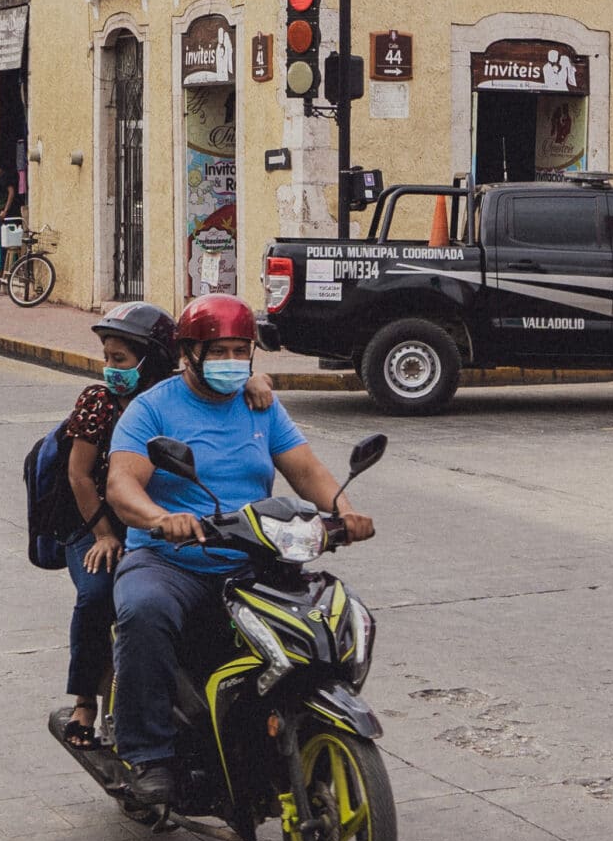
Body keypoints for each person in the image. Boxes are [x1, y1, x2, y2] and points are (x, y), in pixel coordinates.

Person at [101, 294, 372, 814]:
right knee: (144, 611)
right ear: (189, 353)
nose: (231, 361)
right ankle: (147, 754)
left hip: (253, 560)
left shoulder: (260, 405)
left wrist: (344, 510)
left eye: (239, 351)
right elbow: (122, 486)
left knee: (326, 618)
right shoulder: (152, 408)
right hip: (170, 560)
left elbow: (305, 469)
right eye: (219, 351)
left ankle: (291, 724)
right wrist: (161, 518)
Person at [48, 304, 280, 751]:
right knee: (102, 592)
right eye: (108, 358)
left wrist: (256, 380)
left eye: (120, 359)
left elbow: (237, 386)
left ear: (154, 359)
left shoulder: (186, 389)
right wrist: (105, 535)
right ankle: (85, 702)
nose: (110, 368)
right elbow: (80, 476)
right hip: (95, 517)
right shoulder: (101, 402)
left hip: (173, 525)